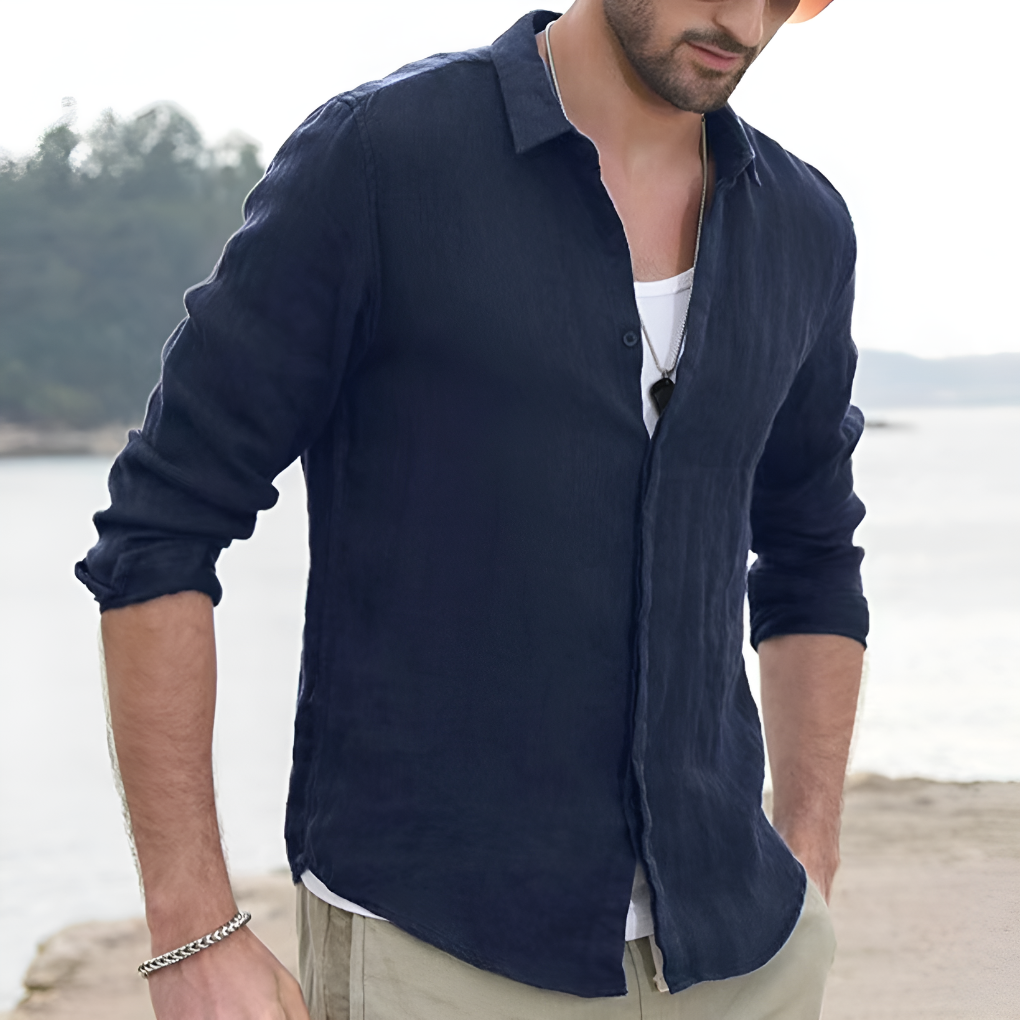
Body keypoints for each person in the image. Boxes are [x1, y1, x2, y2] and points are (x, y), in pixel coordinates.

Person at [76, 0, 866, 1017]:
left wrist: (810, 856)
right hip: (436, 954)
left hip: (740, 959)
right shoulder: (380, 161)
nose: (744, 23)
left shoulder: (804, 228)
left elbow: (811, 554)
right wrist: (191, 927)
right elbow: (160, 527)